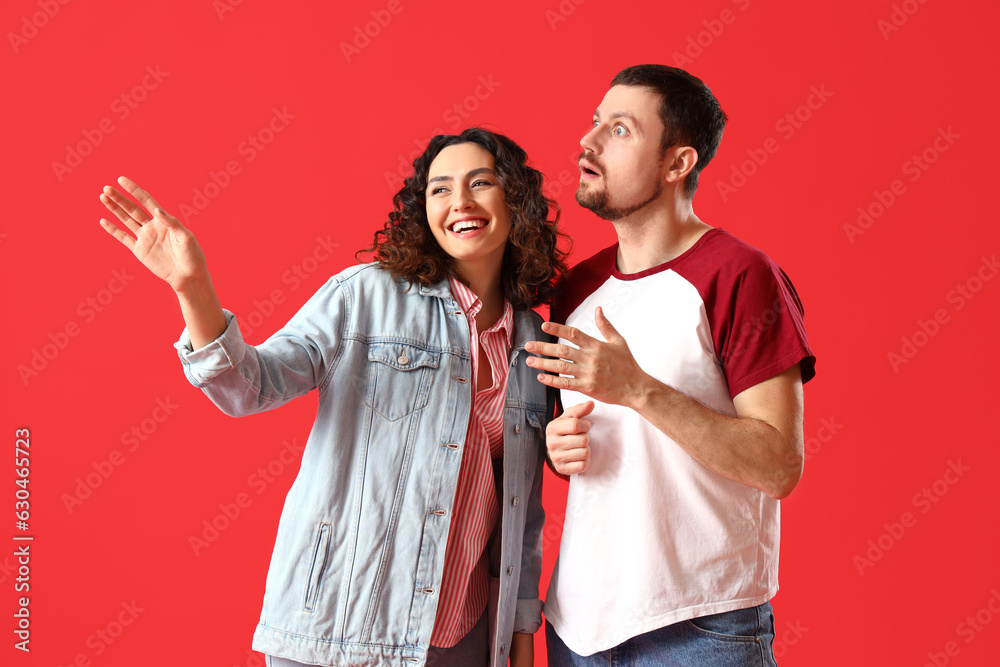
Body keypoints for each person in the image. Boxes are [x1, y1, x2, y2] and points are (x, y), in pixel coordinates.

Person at [98, 127, 567, 667]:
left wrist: (520, 637)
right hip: (340, 631)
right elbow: (250, 387)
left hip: (459, 638)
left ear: (514, 199)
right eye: (440, 188)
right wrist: (193, 287)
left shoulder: (534, 339)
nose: (459, 201)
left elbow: (521, 509)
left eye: (480, 182)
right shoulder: (365, 295)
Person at [524, 65, 817, 666]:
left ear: (677, 163)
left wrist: (638, 390)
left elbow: (779, 464)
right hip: (577, 625)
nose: (590, 141)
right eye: (596, 122)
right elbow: (590, 453)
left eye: (622, 130)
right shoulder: (576, 287)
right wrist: (557, 449)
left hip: (699, 629)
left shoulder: (740, 275)